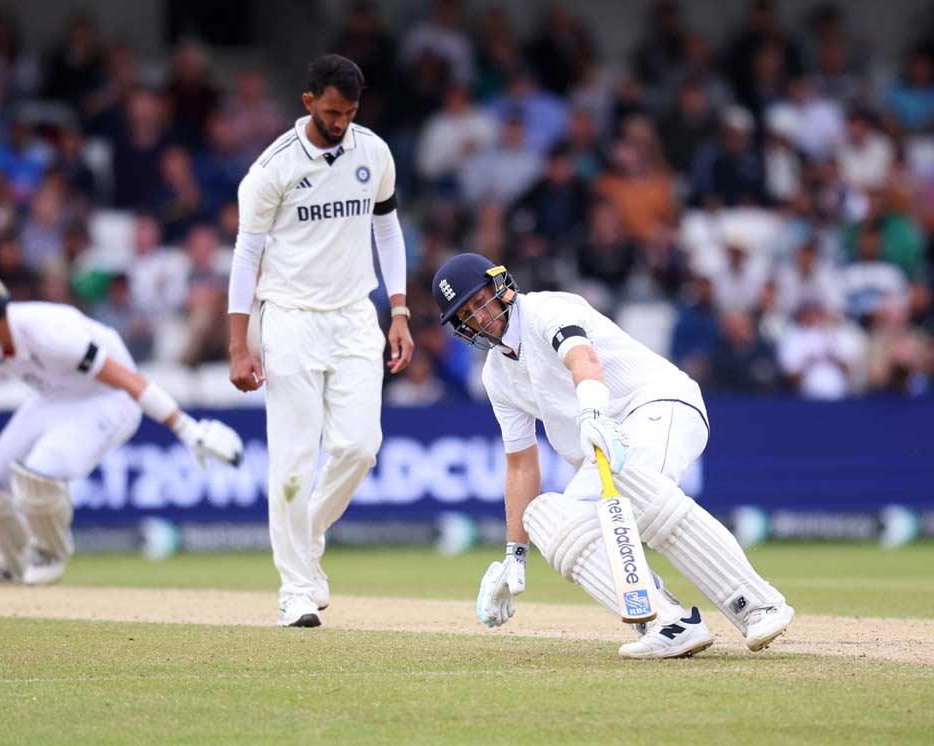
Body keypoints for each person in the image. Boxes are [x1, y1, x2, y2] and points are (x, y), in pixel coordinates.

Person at [430, 253, 794, 659]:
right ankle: (667, 623)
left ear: (500, 288)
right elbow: (520, 464)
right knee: (549, 519)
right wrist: (514, 555)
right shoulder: (496, 376)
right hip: (606, 446)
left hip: (660, 403)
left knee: (633, 482)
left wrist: (591, 411)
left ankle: (757, 605)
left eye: (479, 302)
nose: (479, 318)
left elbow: (582, 358)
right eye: (466, 315)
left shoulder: (546, 309)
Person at [227, 54, 413, 627]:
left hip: (355, 315)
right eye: (332, 112)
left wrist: (399, 311)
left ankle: (306, 536)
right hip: (289, 319)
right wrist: (238, 344)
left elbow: (387, 229)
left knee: (360, 447)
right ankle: (295, 589)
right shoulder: (271, 169)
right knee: (291, 464)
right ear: (309, 102)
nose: (341, 123)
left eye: (350, 112)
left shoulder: (373, 152)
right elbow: (246, 256)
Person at [0, 267, 243, 586]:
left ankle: (49, 555)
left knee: (39, 475)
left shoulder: (50, 333)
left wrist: (186, 428)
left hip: (109, 399)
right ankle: (11, 563)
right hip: (52, 399)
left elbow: (127, 379)